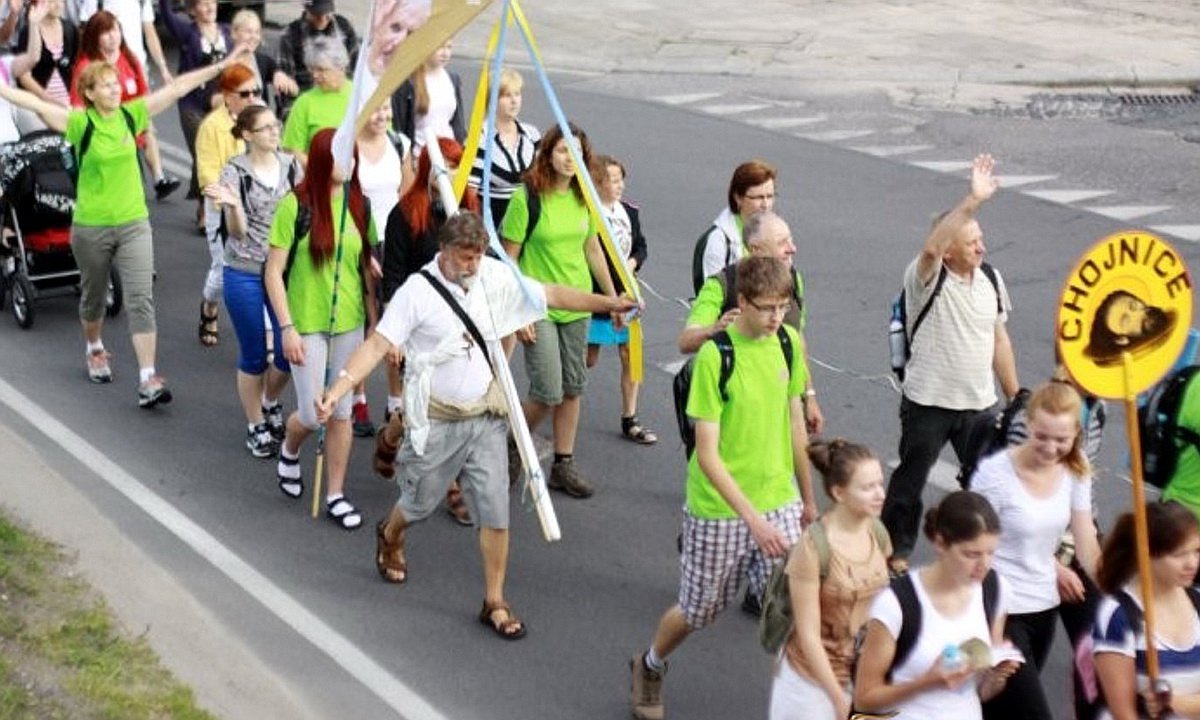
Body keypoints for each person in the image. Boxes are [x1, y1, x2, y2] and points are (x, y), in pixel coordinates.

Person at [315, 212, 636, 638]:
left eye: (479, 256)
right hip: (437, 418)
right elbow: (376, 345)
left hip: (485, 416)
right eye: (466, 257)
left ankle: (495, 601)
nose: (473, 265)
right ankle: (391, 532)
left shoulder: (493, 276)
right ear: (444, 252)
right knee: (419, 503)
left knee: (495, 511)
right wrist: (337, 390)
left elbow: (551, 293)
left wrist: (608, 304)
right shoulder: (417, 292)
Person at [0, 44, 249, 406]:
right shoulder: (80, 123)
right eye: (106, 85)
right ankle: (94, 347)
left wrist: (221, 66)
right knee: (93, 299)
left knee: (141, 298)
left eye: (116, 83)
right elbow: (34, 103)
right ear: (89, 93)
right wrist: (3, 89)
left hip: (134, 222)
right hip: (92, 226)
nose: (115, 89)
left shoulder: (132, 115)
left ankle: (148, 378)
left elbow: (177, 88)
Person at [630, 256, 816, 720]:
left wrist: (809, 499)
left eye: (783, 307)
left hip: (779, 501)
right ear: (743, 303)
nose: (777, 317)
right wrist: (753, 521)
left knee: (795, 608)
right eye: (767, 308)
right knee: (699, 611)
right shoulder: (717, 356)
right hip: (720, 509)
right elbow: (707, 455)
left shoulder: (789, 343)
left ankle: (803, 705)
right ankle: (650, 664)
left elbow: (795, 423)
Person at [881, 152, 1020, 577]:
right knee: (910, 481)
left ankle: (979, 551)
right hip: (929, 401)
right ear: (949, 250)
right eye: (971, 240)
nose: (981, 246)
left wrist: (1015, 396)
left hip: (978, 404)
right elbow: (931, 247)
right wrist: (973, 199)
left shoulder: (990, 279)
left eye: (981, 238)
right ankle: (895, 550)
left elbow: (999, 339)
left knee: (987, 481)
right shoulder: (926, 278)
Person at [264, 128, 376, 530]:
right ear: (324, 159)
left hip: (349, 321)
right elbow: (273, 272)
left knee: (342, 410)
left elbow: (366, 263)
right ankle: (290, 448)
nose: (351, 163)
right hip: (307, 323)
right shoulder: (295, 206)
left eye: (353, 156)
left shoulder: (359, 204)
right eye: (343, 155)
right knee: (314, 414)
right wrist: (286, 328)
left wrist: (373, 319)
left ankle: (336, 495)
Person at [500, 122, 618, 499]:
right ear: (548, 153)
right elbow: (509, 261)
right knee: (547, 390)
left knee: (573, 386)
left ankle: (563, 463)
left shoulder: (585, 197)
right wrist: (519, 313)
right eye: (564, 150)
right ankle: (514, 443)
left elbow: (593, 249)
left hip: (578, 303)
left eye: (578, 152)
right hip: (540, 306)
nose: (571, 158)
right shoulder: (527, 198)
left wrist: (613, 299)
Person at [971, 381, 1101, 720]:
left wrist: (1117, 592)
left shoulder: (1076, 467)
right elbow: (972, 547)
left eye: (1061, 440)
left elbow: (1086, 541)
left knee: (1001, 711)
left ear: (1076, 434)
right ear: (1028, 425)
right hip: (999, 609)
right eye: (1041, 436)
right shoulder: (995, 474)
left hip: (1043, 605)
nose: (1050, 448)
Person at [376, 135, 479, 523]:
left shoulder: (467, 212)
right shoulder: (405, 214)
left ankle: (404, 445)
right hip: (419, 326)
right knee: (426, 408)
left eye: (455, 167)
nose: (450, 174)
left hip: (460, 327)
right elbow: (393, 277)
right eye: (443, 167)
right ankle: (446, 483)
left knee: (454, 406)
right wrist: (395, 335)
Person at [853, 491, 1020, 720]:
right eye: (972, 554)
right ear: (941, 543)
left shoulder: (996, 590)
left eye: (991, 553)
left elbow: (983, 692)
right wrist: (928, 682)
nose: (984, 565)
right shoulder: (897, 603)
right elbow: (864, 698)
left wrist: (996, 675)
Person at [768, 438, 891, 720]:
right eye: (867, 488)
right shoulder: (813, 548)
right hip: (809, 685)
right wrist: (837, 698)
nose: (880, 494)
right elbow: (808, 635)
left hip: (859, 674)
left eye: (880, 484)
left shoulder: (878, 533)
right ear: (838, 492)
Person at [203, 104, 298, 457]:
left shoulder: (292, 166)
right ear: (247, 135)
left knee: (289, 351)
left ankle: (270, 400)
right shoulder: (235, 172)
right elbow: (237, 233)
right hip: (244, 270)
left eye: (276, 125)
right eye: (266, 128)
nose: (275, 132)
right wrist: (233, 206)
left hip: (282, 270)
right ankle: (256, 424)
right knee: (255, 353)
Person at [679, 210, 824, 438]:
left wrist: (810, 396)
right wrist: (714, 330)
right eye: (782, 243)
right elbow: (685, 342)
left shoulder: (793, 279)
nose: (792, 248)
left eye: (790, 240)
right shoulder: (721, 285)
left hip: (780, 399)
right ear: (756, 250)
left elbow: (798, 339)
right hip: (736, 412)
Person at [1093, 501, 1200, 720]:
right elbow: (1124, 713)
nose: (1192, 563)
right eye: (1179, 555)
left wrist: (1172, 702)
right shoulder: (1117, 614)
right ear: (1147, 554)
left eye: (1196, 551)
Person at [347, 100, 412, 438]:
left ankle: (394, 400)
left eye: (387, 108)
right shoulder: (348, 147)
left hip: (394, 243)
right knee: (364, 324)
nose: (383, 115)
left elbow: (407, 196)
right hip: (359, 241)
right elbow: (345, 198)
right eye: (375, 109)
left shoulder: (400, 143)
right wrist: (362, 250)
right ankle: (357, 398)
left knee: (395, 324)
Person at [70, 10, 178, 200]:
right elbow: (78, 106)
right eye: (106, 32)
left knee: (148, 130)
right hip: (102, 133)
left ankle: (158, 177)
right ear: (95, 37)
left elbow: (143, 95)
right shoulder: (86, 66)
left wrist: (144, 119)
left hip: (129, 124)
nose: (113, 36)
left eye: (116, 30)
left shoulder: (129, 58)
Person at [583, 154, 653, 445]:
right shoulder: (588, 213)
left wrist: (633, 263)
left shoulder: (629, 212)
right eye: (612, 180)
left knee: (630, 353)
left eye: (621, 179)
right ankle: (558, 397)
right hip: (597, 295)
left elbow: (641, 246)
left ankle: (630, 418)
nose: (619, 185)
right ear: (597, 183)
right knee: (588, 358)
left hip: (628, 293)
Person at [193, 62, 259, 348]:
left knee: (262, 266)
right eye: (245, 94)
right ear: (228, 96)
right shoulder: (212, 127)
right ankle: (209, 305)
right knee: (224, 269)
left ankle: (264, 331)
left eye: (255, 92)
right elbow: (207, 175)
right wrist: (231, 198)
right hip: (223, 210)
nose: (252, 98)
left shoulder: (259, 120)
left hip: (257, 207)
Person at [156, 0, 230, 209]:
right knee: (204, 151)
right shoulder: (188, 32)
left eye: (212, 2)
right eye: (203, 4)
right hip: (192, 104)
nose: (209, 7)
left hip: (219, 105)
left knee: (219, 153)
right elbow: (166, 14)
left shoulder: (226, 32)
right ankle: (204, 203)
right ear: (192, 10)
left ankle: (208, 198)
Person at [467, 67, 539, 224]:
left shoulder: (532, 135)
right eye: (507, 95)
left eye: (517, 94)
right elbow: (470, 193)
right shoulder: (479, 139)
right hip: (492, 224)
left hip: (529, 222)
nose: (514, 101)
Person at [694, 159, 777, 285]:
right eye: (758, 198)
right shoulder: (718, 241)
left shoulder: (776, 234)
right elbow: (712, 292)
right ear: (738, 198)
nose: (766, 205)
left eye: (770, 196)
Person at [280, 36, 349, 166]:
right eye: (312, 69)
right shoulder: (304, 103)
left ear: (341, 67)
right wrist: (324, 171)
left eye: (321, 70)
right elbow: (291, 151)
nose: (315, 75)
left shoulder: (360, 95)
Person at [276, 0, 356, 110]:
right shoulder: (290, 34)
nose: (323, 19)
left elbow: (357, 68)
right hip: (307, 104)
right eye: (317, 14)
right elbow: (287, 84)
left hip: (342, 100)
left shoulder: (344, 27)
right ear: (306, 8)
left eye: (326, 13)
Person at [76, 0, 172, 87]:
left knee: (143, 100)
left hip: (137, 65)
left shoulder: (142, 1)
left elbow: (150, 33)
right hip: (106, 70)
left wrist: (163, 68)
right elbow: (88, 32)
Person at [391, 38, 463, 154]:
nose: (445, 53)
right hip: (419, 155)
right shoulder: (408, 82)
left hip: (449, 155)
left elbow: (458, 124)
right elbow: (400, 127)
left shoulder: (453, 79)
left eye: (449, 47)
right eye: (440, 47)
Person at [229, 9, 297, 114]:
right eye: (248, 31)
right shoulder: (223, 64)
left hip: (260, 118)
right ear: (234, 33)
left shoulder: (263, 61)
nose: (253, 37)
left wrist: (281, 76)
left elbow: (294, 91)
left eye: (257, 32)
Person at [16, 0, 74, 108]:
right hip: (37, 103)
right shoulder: (28, 31)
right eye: (52, 1)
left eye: (62, 1)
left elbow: (73, 65)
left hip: (65, 102)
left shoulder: (70, 29)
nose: (58, 5)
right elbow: (24, 76)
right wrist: (46, 98)